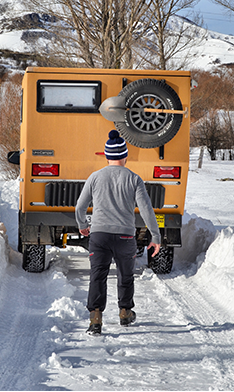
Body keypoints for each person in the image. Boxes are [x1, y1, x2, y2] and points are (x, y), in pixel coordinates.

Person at [75, 130, 162, 335]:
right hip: (125, 236)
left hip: (99, 235)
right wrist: (155, 236)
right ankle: (125, 312)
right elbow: (146, 210)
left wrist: (82, 225)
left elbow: (80, 206)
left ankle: (95, 318)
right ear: (124, 156)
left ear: (106, 156)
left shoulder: (95, 177)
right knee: (125, 275)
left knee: (98, 275)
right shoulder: (134, 179)